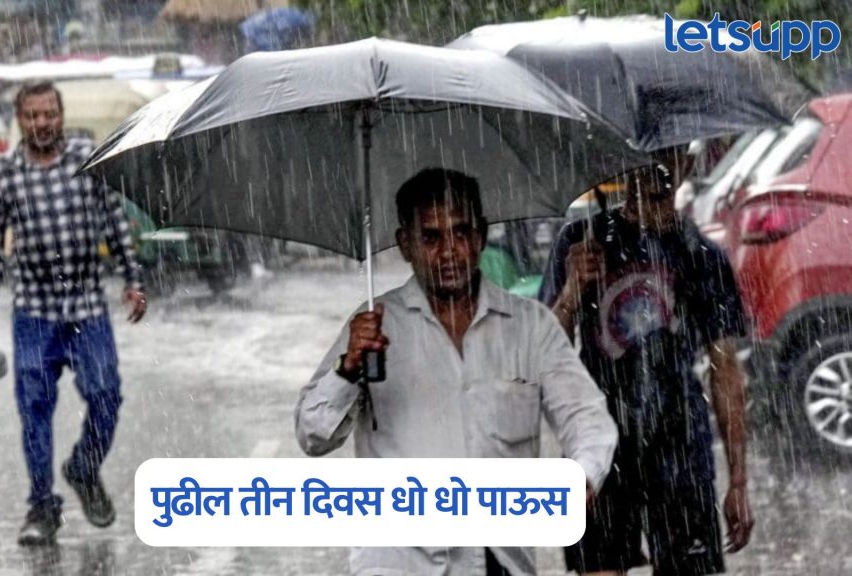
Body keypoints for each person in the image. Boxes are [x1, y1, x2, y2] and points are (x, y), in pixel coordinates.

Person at [296, 168, 618, 576]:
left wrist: (582, 474)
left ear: (480, 236)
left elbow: (586, 417)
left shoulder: (530, 326)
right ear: (405, 245)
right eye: (431, 237)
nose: (449, 251)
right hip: (398, 564)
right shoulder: (372, 328)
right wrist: (348, 369)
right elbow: (313, 435)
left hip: (500, 561)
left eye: (461, 233)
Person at [539, 149, 754, 576]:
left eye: (667, 162)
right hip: (598, 442)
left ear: (685, 167)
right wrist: (570, 293)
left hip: (679, 446)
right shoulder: (581, 242)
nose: (653, 174)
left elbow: (725, 371)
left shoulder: (702, 257)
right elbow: (546, 352)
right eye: (642, 166)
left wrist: (739, 480)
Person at [0, 81, 147, 546]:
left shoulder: (88, 159)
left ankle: (84, 468)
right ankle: (41, 507)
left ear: (60, 116)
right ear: (20, 120)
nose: (41, 124)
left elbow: (115, 221)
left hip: (86, 302)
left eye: (49, 114)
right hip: (34, 310)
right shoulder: (4, 173)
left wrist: (133, 280)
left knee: (106, 394)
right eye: (32, 116)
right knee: (35, 410)